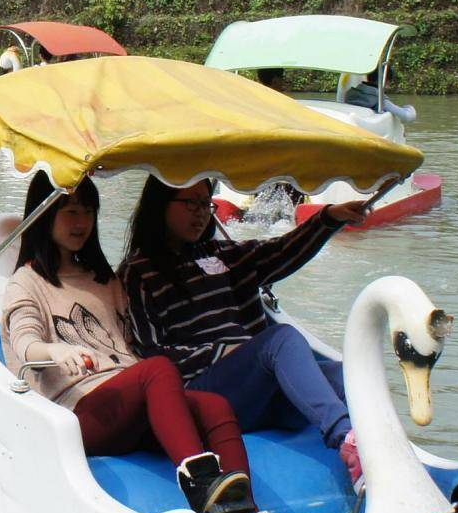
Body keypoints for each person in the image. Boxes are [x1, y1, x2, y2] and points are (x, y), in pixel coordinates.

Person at [3, 173, 300, 513]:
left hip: (131, 405)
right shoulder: (26, 282)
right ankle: (201, 485)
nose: (81, 223)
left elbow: (138, 339)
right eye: (70, 212)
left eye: (88, 212)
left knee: (212, 405)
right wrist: (54, 351)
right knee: (157, 370)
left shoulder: (104, 280)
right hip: (82, 412)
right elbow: (24, 344)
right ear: (44, 215)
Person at [120, 176, 372, 491]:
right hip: (203, 390)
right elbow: (151, 352)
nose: (201, 213)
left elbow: (281, 253)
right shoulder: (138, 271)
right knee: (281, 338)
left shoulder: (222, 255)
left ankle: (377, 454)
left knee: (343, 374)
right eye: (191, 204)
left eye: (205, 204)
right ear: (160, 207)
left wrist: (328, 219)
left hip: (254, 388)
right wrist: (220, 351)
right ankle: (346, 441)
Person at [342, 67, 417, 123]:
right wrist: (409, 107)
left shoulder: (349, 94)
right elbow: (406, 116)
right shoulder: (379, 100)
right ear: (386, 81)